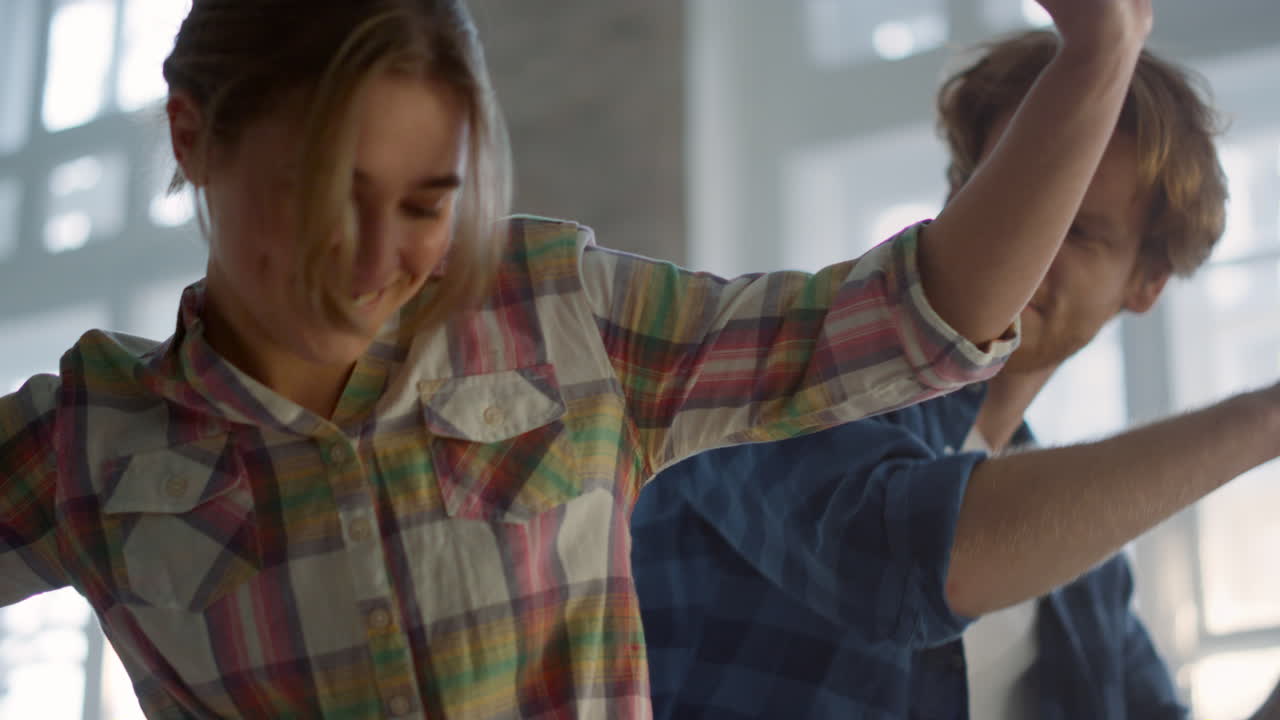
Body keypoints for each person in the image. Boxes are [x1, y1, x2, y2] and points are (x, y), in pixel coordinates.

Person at [0, 0, 1152, 717]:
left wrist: (1099, 49)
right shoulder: (87, 443)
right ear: (192, 136)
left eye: (423, 205)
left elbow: (916, 320)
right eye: (318, 195)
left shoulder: (562, 320)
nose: (370, 260)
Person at [630, 26, 1280, 720]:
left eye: (1078, 232)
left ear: (1146, 282)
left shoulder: (1087, 573)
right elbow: (907, 558)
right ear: (963, 194)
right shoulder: (788, 375)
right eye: (1016, 197)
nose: (1031, 247)